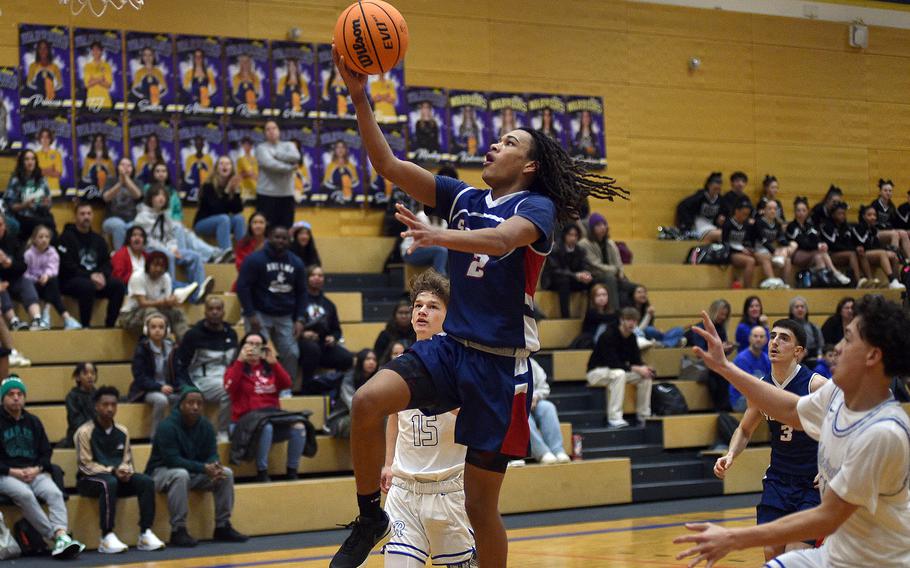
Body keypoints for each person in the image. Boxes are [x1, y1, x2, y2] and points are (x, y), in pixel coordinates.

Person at [329, 45, 625, 568]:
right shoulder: (462, 197)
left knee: (480, 507)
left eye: (507, 142)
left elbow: (501, 242)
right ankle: (370, 514)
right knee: (367, 401)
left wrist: (436, 233)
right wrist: (359, 98)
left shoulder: (538, 206)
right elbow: (387, 163)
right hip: (450, 349)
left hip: (499, 367)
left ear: (529, 165)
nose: (493, 145)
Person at [676, 295, 910, 568]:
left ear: (872, 355)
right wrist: (724, 367)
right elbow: (788, 410)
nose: (837, 348)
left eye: (847, 339)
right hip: (835, 554)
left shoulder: (882, 433)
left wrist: (733, 537)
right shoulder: (837, 393)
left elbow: (827, 517)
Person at [381, 268, 476, 567]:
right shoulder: (401, 363)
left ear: (448, 316)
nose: (422, 311)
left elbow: (475, 416)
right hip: (404, 489)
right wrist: (388, 463)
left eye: (433, 306)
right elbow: (395, 416)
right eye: (418, 306)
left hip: (449, 487)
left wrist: (437, 392)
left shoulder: (462, 362)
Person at [713, 319, 827, 561]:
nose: (774, 342)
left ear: (798, 351)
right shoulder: (763, 387)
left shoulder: (815, 385)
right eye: (773, 336)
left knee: (795, 555)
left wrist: (832, 464)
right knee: (772, 555)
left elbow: (847, 426)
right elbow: (744, 429)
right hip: (778, 479)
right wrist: (731, 454)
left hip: (811, 483)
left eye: (784, 338)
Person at [145, 386, 248, 547]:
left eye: (199, 403)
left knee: (226, 473)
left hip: (192, 472)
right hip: (161, 473)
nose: (195, 407)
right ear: (180, 405)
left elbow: (212, 453)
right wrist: (203, 468)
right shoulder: (167, 426)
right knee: (180, 474)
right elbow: (173, 461)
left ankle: (222, 526)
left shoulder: (206, 425)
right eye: (190, 403)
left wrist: (215, 465)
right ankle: (178, 530)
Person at [0, 376, 85, 558]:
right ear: (3, 399)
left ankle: (61, 534)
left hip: (34, 472)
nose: (16, 398)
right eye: (11, 394)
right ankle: (57, 537)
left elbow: (46, 452)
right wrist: (13, 471)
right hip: (6, 474)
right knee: (25, 495)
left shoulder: (33, 421)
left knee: (54, 493)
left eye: (20, 394)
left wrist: (37, 469)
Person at [74, 385, 165, 554]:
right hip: (89, 480)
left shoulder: (122, 431)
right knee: (109, 483)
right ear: (96, 406)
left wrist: (125, 471)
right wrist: (111, 470)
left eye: (113, 404)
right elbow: (85, 465)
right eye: (105, 404)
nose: (109, 408)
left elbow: (127, 460)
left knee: (145, 482)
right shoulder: (84, 431)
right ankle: (106, 536)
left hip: (116, 478)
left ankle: (145, 532)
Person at [224, 332, 305, 482]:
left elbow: (287, 384)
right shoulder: (235, 368)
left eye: (258, 345)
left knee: (299, 426)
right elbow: (229, 387)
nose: (253, 348)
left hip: (271, 420)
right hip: (243, 424)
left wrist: (274, 363)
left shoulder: (270, 369)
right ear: (242, 347)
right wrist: (240, 361)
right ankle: (262, 472)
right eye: (249, 344)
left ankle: (292, 471)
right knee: (265, 427)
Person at [237, 225, 307, 386]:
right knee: (258, 352)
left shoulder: (296, 262)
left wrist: (300, 319)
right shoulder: (254, 259)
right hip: (259, 313)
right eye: (277, 237)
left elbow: (302, 292)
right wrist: (250, 313)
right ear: (269, 238)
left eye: (284, 238)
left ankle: (286, 387)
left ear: (289, 241)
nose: (280, 241)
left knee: (291, 353)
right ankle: (258, 384)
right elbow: (243, 287)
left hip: (285, 315)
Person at [133, 187, 212, 303]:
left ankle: (198, 292)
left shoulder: (166, 216)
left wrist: (174, 248)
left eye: (163, 196)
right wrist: (168, 250)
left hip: (167, 249)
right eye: (157, 195)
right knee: (168, 256)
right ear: (150, 199)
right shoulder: (142, 216)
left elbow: (171, 236)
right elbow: (147, 240)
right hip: (151, 250)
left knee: (194, 256)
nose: (161, 198)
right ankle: (171, 291)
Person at [175, 296, 236, 441]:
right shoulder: (194, 335)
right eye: (211, 309)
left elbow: (234, 362)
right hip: (201, 380)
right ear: (205, 312)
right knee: (229, 390)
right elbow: (182, 365)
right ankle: (222, 431)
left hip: (225, 377)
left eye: (218, 309)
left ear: (223, 312)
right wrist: (189, 387)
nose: (215, 312)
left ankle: (237, 428)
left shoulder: (231, 333)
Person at [58, 201, 126, 328]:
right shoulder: (66, 237)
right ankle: (86, 326)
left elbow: (107, 263)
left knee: (118, 286)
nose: (86, 217)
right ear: (75, 216)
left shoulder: (98, 239)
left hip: (96, 281)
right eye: (82, 214)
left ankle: (110, 326)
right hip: (71, 281)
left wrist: (102, 276)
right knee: (87, 285)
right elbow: (67, 266)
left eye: (89, 213)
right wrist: (90, 276)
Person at [586, 307, 655, 428]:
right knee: (619, 374)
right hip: (596, 372)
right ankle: (614, 417)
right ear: (621, 320)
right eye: (628, 320)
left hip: (616, 370)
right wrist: (637, 369)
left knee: (645, 376)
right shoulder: (608, 335)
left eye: (634, 320)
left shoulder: (632, 338)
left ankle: (643, 415)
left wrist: (645, 368)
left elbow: (636, 361)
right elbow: (613, 363)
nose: (631, 323)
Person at [299, 265, 353, 392]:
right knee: (312, 349)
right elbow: (290, 325)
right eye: (313, 275)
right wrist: (303, 334)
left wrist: (333, 337)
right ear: (307, 278)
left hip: (324, 345)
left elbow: (336, 329)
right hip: (303, 344)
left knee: (347, 358)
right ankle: (307, 387)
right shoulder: (299, 300)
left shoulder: (328, 304)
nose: (317, 278)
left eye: (320, 275)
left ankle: (337, 389)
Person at [117, 250, 192, 340]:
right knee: (152, 313)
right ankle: (162, 345)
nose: (158, 269)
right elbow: (143, 303)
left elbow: (166, 305)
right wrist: (164, 302)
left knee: (177, 312)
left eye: (162, 266)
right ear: (148, 265)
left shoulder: (166, 278)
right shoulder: (138, 276)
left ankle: (186, 342)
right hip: (130, 316)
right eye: (155, 265)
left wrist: (173, 301)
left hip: (158, 311)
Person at [127, 312, 180, 438]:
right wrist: (159, 387)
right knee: (161, 400)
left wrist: (177, 386)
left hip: (168, 388)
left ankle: (175, 436)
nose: (157, 330)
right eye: (153, 327)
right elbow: (140, 377)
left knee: (182, 398)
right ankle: (156, 438)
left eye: (161, 327)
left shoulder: (172, 348)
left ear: (167, 330)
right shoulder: (142, 348)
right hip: (146, 390)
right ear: (147, 330)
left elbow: (178, 371)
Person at [786, 197, 851, 286]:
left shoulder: (809, 226)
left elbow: (815, 239)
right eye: (798, 210)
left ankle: (823, 283)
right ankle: (835, 272)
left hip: (810, 254)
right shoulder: (792, 226)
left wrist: (821, 244)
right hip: (796, 254)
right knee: (820, 252)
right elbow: (802, 243)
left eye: (804, 210)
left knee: (819, 257)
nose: (801, 213)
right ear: (794, 212)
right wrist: (818, 246)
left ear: (807, 212)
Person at [688, 299, 737, 411]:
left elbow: (721, 353)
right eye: (721, 314)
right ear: (714, 311)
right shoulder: (701, 327)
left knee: (727, 371)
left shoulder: (721, 329)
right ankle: (721, 408)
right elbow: (700, 352)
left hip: (715, 364)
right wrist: (719, 349)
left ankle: (725, 407)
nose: (723, 317)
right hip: (702, 364)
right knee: (717, 375)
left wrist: (728, 349)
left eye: (725, 315)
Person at [0, 218, 48, 331]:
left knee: (25, 280)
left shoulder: (13, 241)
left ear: (5, 226)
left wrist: (9, 263)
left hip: (13, 280)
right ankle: (13, 321)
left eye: (0, 224)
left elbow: (23, 266)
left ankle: (37, 319)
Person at [522, 357, 570, 465]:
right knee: (522, 413)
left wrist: (536, 396)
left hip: (534, 401)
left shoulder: (532, 363)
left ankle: (557, 450)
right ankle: (542, 453)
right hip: (515, 405)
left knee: (548, 407)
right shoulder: (504, 364)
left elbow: (544, 387)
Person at [579, 213, 631, 311]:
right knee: (610, 279)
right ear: (592, 228)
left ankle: (631, 317)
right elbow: (595, 265)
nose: (602, 227)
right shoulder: (584, 243)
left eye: (604, 224)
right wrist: (615, 270)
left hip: (611, 274)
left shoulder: (610, 243)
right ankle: (615, 313)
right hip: (594, 276)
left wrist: (620, 274)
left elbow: (618, 262)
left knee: (633, 287)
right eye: (598, 225)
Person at [255, 120, 300, 229]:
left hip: (286, 195)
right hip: (266, 195)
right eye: (268, 129)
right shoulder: (261, 148)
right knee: (266, 230)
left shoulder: (289, 145)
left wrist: (276, 154)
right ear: (265, 133)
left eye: (274, 128)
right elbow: (271, 165)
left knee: (286, 230)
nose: (271, 131)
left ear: (279, 131)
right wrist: (290, 167)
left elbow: (296, 157)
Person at [194, 156, 245, 252]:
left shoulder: (232, 185)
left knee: (239, 218)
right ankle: (227, 253)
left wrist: (236, 193)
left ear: (231, 168)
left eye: (228, 164)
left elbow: (237, 210)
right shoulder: (208, 186)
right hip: (202, 223)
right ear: (216, 168)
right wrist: (226, 191)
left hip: (223, 222)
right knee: (223, 218)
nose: (224, 166)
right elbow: (216, 210)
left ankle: (242, 253)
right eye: (221, 163)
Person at [5, 149, 55, 243]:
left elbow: (49, 203)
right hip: (22, 216)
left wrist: (47, 203)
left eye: (32, 159)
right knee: (44, 224)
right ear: (21, 162)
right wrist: (24, 205)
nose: (30, 162)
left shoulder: (42, 179)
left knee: (51, 225)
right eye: (26, 159)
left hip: (40, 213)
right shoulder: (16, 180)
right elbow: (10, 206)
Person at [724, 197, 774, 289]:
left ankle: (773, 282)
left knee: (764, 258)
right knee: (750, 261)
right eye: (743, 214)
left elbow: (749, 240)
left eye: (747, 214)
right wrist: (740, 250)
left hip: (744, 250)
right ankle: (748, 288)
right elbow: (725, 243)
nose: (745, 217)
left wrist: (749, 248)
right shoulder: (728, 224)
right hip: (732, 252)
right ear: (736, 211)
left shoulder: (747, 224)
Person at [542, 224, 591, 318]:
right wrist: (575, 275)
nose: (573, 238)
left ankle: (588, 315)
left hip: (571, 280)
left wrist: (586, 274)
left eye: (575, 235)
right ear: (564, 235)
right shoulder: (555, 249)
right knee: (563, 281)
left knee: (592, 282)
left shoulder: (580, 250)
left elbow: (585, 265)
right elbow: (555, 270)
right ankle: (565, 316)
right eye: (570, 235)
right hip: (553, 281)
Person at [852, 205, 905, 290]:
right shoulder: (858, 228)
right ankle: (891, 280)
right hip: (861, 254)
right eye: (869, 215)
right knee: (882, 253)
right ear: (863, 216)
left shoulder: (873, 229)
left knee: (893, 255)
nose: (873, 217)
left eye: (874, 215)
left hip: (872, 253)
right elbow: (863, 243)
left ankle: (896, 280)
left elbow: (876, 245)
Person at [328, 349, 378, 439]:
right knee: (368, 421)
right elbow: (353, 405)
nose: (371, 362)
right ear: (360, 361)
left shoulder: (377, 379)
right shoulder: (349, 378)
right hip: (341, 420)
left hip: (366, 417)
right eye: (368, 359)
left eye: (374, 359)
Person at [102, 157, 143, 251]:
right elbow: (106, 197)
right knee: (119, 225)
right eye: (122, 165)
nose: (125, 168)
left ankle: (134, 258)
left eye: (129, 166)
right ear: (118, 168)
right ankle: (120, 256)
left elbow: (138, 195)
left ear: (132, 169)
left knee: (135, 227)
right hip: (111, 219)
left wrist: (126, 180)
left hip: (131, 220)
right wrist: (120, 183)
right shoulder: (111, 180)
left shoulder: (137, 182)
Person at [819, 202, 864, 287]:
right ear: (833, 215)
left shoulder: (845, 226)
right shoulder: (827, 226)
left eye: (843, 213)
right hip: (830, 255)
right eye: (839, 213)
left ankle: (867, 279)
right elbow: (833, 245)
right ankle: (858, 281)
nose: (842, 216)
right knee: (852, 254)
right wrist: (852, 249)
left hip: (843, 253)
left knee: (860, 252)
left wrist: (856, 248)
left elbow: (849, 242)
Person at [750, 200, 792, 288]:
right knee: (766, 258)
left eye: (775, 209)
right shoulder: (759, 222)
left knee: (787, 260)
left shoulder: (777, 224)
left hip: (771, 251)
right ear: (764, 210)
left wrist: (788, 246)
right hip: (758, 250)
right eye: (769, 209)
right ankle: (772, 280)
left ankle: (784, 283)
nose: (773, 211)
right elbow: (762, 240)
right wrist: (774, 251)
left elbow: (781, 239)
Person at [728, 326, 771, 412]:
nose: (758, 339)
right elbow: (748, 386)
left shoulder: (766, 358)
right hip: (740, 399)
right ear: (749, 338)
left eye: (761, 336)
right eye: (755, 336)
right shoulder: (742, 359)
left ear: (766, 340)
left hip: (758, 397)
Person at [676, 172, 727, 243]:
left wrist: (721, 218)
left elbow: (726, 213)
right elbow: (682, 206)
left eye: (719, 187)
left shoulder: (720, 200)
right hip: (699, 225)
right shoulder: (699, 197)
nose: (717, 189)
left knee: (724, 234)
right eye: (715, 187)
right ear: (709, 185)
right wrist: (688, 224)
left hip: (712, 225)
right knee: (721, 234)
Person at [399, 208, 448, 276]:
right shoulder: (422, 215)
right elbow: (427, 242)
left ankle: (449, 280)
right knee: (441, 251)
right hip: (411, 252)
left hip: (431, 251)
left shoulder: (444, 220)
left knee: (450, 251)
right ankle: (440, 281)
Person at [870, 179, 910, 259]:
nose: (888, 193)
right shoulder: (875, 205)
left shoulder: (891, 206)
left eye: (890, 191)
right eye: (885, 190)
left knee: (903, 233)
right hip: (876, 232)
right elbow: (871, 222)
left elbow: (895, 223)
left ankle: (908, 259)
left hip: (888, 231)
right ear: (880, 192)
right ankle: (893, 258)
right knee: (894, 234)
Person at [61, 362, 97, 448]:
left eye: (92, 373)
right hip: (78, 435)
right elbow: (75, 420)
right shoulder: (72, 396)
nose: (90, 376)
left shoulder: (99, 396)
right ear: (77, 377)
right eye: (85, 373)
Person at [572, 283, 616, 349]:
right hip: (592, 342)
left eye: (604, 295)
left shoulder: (611, 312)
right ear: (593, 298)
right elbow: (604, 318)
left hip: (606, 342)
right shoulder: (591, 312)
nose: (602, 298)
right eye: (598, 295)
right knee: (604, 325)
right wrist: (618, 315)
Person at [232, 211, 267, 291]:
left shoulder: (271, 244)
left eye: (261, 223)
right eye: (255, 223)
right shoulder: (243, 243)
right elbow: (240, 266)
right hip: (247, 281)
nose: (258, 226)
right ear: (250, 225)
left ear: (266, 225)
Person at [787, 296, 824, 369]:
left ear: (806, 310)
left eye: (802, 307)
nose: (800, 309)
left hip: (812, 362)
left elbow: (821, 347)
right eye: (797, 307)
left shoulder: (814, 328)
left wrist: (819, 356)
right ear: (791, 310)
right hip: (792, 362)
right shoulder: (786, 329)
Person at [82, 41, 113, 110]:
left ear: (101, 51)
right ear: (91, 52)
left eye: (97, 50)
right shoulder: (87, 66)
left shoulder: (106, 66)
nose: (95, 52)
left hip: (105, 102)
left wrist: (93, 80)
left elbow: (108, 85)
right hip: (91, 101)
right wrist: (100, 79)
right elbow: (87, 85)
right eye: (93, 50)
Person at [35, 128, 63, 197]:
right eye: (42, 137)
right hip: (39, 190)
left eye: (47, 137)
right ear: (39, 139)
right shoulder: (35, 155)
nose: (45, 139)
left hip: (54, 190)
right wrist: (50, 169)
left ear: (50, 139)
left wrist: (42, 171)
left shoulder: (57, 154)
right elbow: (35, 173)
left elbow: (58, 173)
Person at [235, 137, 258, 202]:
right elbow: (239, 175)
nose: (247, 146)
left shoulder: (256, 160)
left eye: (248, 145)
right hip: (245, 189)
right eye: (245, 145)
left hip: (256, 188)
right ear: (242, 146)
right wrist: (248, 174)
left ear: (251, 146)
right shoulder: (240, 160)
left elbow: (258, 175)